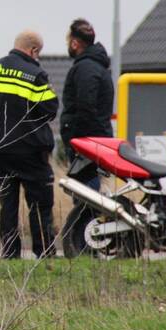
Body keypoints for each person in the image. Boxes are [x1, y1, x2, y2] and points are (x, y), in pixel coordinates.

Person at [0, 30, 59, 259]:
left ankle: (10, 253)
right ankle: (44, 252)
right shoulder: (35, 74)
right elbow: (51, 110)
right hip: (30, 151)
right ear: (34, 50)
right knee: (40, 204)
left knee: (8, 204)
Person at [59, 18, 116, 258]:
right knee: (89, 192)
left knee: (87, 196)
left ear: (74, 42)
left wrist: (75, 136)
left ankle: (85, 243)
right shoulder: (97, 66)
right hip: (95, 139)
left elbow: (85, 107)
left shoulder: (85, 68)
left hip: (87, 143)